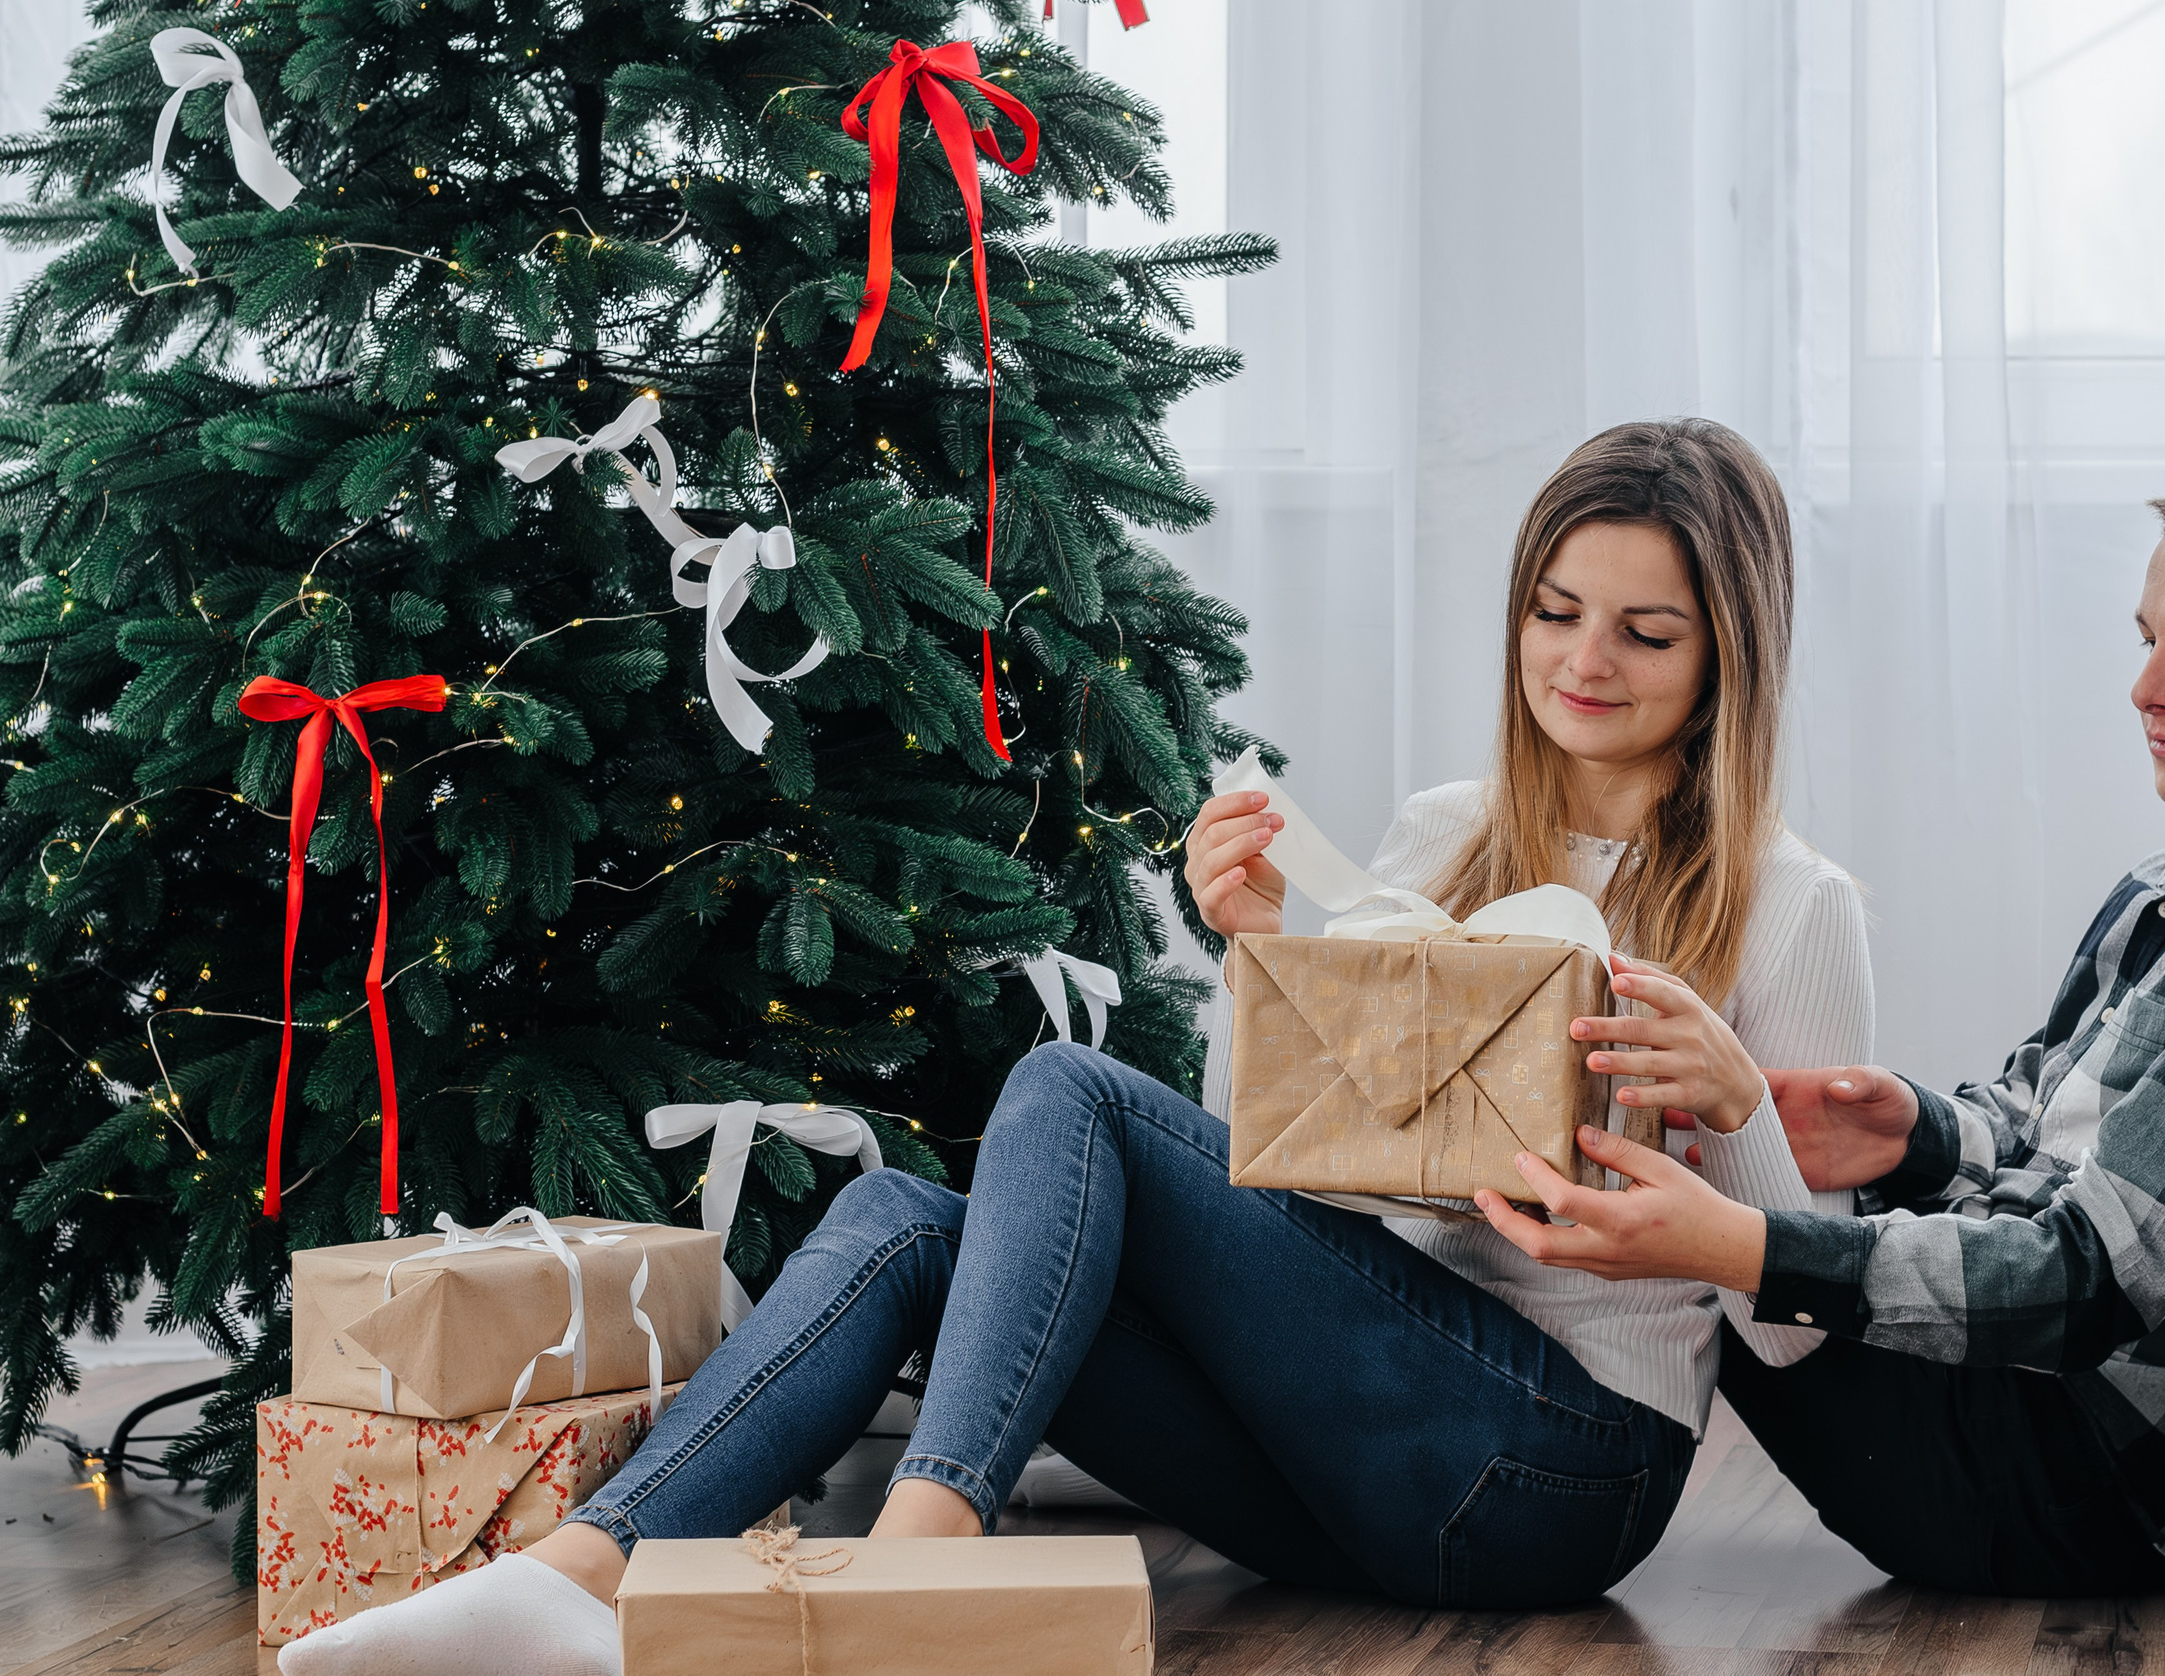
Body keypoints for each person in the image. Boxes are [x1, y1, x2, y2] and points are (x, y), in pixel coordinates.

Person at [276, 419, 1873, 1676]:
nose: (1582, 662)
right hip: (1363, 1432)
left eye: (1645, 633)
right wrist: (1260, 962)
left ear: (1726, 653)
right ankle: (565, 1586)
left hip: (1560, 1470)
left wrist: (1733, 1111)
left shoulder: (1792, 909)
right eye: (1554, 611)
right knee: (909, 1225)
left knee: (1062, 1086)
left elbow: (1805, 1350)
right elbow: (1283, 1171)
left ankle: (914, 1572)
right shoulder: (1440, 840)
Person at [1473, 455, 2165, 1595]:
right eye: (2148, 640)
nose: (2147, 687)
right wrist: (1916, 1133)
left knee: (1686, 1160)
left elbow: (2088, 1280)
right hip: (2010, 1400)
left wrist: (1732, 1242)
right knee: (1709, 1137)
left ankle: (1495, 1470)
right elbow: (2044, 1113)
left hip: (2055, 1482)